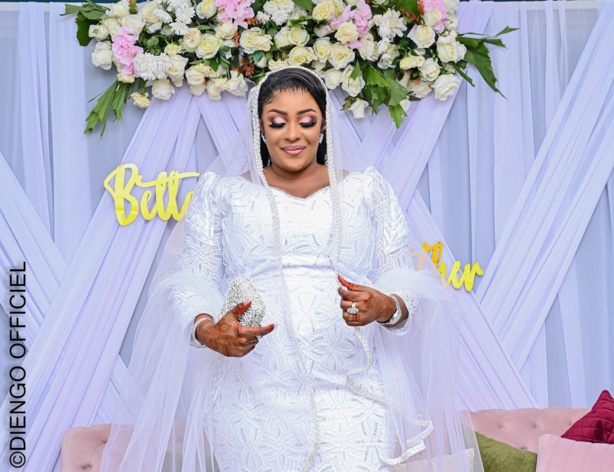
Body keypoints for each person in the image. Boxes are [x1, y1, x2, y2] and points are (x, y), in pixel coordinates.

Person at [101, 66, 483, 472]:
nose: (293, 134)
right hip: (249, 391)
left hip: (354, 386)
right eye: (278, 122)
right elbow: (190, 280)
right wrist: (207, 329)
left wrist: (387, 305)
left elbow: (402, 275)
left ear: (324, 125)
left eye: (307, 121)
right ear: (260, 128)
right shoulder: (222, 193)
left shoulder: (368, 190)